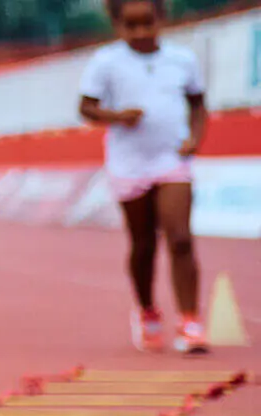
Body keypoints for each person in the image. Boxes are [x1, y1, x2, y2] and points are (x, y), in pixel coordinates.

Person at [79, 0, 209, 354]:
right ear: (117, 25)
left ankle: (190, 320)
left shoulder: (182, 59)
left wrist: (195, 138)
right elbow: (86, 107)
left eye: (147, 23)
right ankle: (147, 309)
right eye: (131, 25)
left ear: (161, 18)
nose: (140, 32)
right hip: (129, 164)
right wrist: (117, 116)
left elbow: (198, 103)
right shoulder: (106, 62)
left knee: (180, 238)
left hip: (171, 159)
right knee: (143, 244)